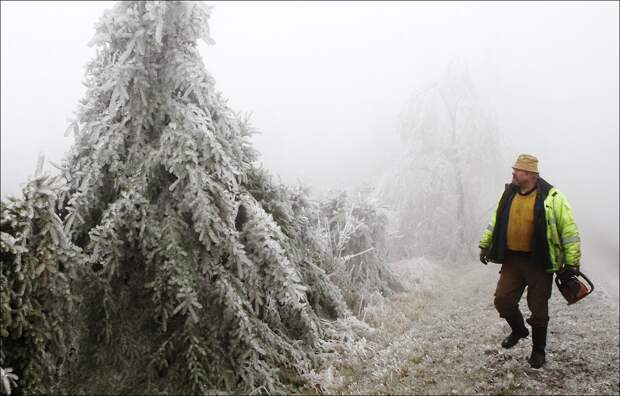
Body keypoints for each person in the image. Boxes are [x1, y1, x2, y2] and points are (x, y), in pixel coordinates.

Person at [478, 154, 581, 369]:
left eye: (518, 170)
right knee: (503, 301)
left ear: (531, 175)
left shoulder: (552, 198)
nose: (513, 173)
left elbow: (569, 231)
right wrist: (485, 244)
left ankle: (538, 351)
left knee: (539, 310)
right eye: (514, 169)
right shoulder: (508, 194)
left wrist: (572, 264)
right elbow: (495, 222)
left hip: (540, 262)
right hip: (513, 260)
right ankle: (518, 330)